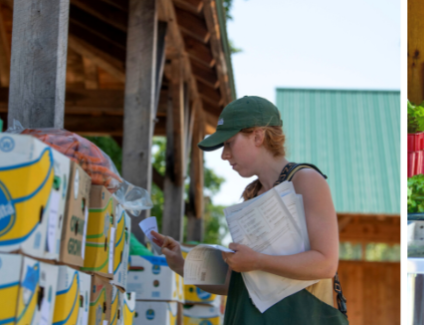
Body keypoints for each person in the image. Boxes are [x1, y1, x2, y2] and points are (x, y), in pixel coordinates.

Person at [149, 96, 349, 324]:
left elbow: (326, 263)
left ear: (257, 136)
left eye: (229, 143)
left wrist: (258, 261)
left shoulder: (306, 180)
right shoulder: (251, 195)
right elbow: (240, 284)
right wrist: (182, 266)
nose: (224, 155)